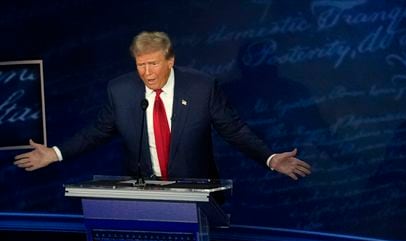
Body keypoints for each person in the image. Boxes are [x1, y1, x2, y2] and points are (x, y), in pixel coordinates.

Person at [13, 30, 311, 181]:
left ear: (170, 61)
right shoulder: (121, 90)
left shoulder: (201, 87)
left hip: (194, 191)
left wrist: (270, 159)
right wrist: (55, 153)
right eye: (141, 65)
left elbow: (234, 131)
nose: (147, 72)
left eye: (154, 63)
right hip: (142, 194)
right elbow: (96, 132)